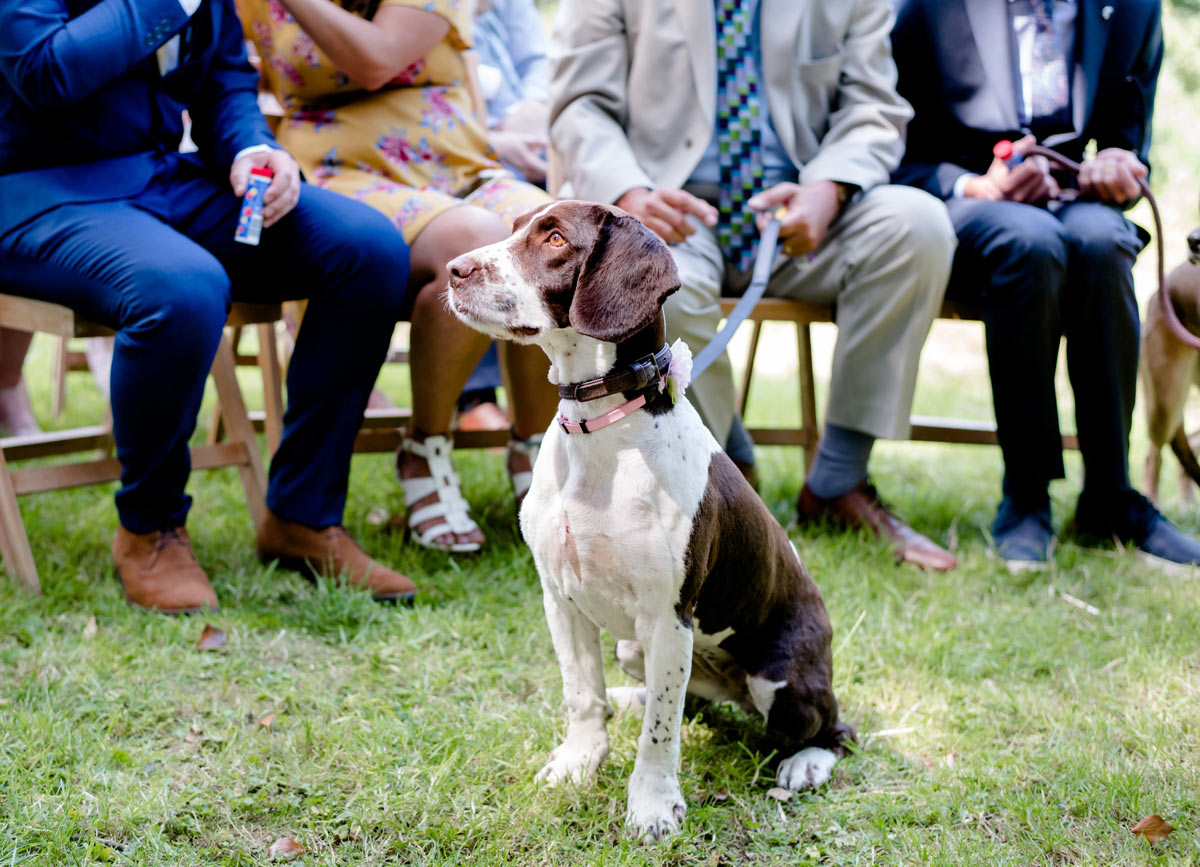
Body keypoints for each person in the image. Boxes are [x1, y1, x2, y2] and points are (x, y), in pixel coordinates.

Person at [0, 0, 420, 612]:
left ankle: (303, 516)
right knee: (182, 287)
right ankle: (150, 529)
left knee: (367, 248)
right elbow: (45, 73)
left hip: (163, 175)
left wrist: (252, 150)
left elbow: (224, 79)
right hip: (39, 191)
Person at [550, 0, 960, 570]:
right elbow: (579, 106)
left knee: (917, 226)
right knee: (656, 282)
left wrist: (831, 187)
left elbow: (872, 107)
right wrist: (631, 194)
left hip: (803, 216)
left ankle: (838, 480)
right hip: (666, 212)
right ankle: (724, 470)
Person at [239, 0, 559, 554]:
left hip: (453, 163)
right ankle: (426, 446)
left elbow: (376, 59)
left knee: (547, 236)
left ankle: (541, 448)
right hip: (338, 172)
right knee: (473, 239)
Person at [891, 0, 1200, 570]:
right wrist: (974, 185)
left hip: (1078, 203)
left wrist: (1118, 166)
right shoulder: (926, 8)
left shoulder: (1133, 10)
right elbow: (894, 147)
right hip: (969, 203)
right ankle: (1026, 497)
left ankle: (1111, 495)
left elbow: (1132, 145)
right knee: (1029, 243)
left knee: (1104, 244)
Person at [473, 0, 550, 186]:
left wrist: (532, 107)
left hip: (528, 122)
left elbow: (537, 61)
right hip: (477, 146)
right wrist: (491, 142)